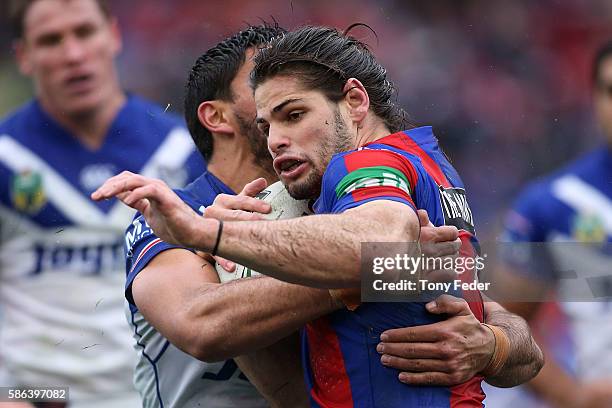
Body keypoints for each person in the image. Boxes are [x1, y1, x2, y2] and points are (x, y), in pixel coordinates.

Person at [94, 26, 543, 407]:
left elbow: (501, 322)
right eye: (259, 86)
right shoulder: (175, 214)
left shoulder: (356, 181)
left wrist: (494, 347)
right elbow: (204, 326)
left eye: (293, 104)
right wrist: (371, 272)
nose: (271, 96)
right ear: (218, 116)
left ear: (352, 101)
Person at [0, 0, 204, 407]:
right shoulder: (7, 158)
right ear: (24, 56)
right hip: (42, 395)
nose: (73, 54)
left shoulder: (185, 150)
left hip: (157, 397)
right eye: (51, 40)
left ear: (112, 35)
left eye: (84, 32)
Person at [481, 42, 612, 408]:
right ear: (595, 98)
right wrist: (572, 397)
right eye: (611, 90)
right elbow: (508, 327)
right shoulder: (553, 204)